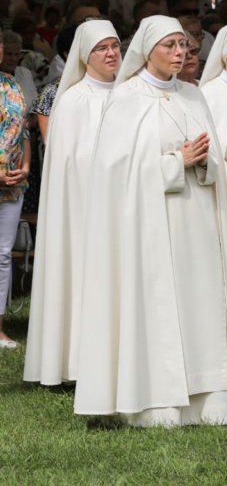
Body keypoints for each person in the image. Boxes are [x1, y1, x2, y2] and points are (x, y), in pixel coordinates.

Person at [74, 16, 227, 427]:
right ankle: (156, 405)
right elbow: (115, 174)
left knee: (200, 307)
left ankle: (206, 403)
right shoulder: (126, 98)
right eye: (170, 46)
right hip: (150, 226)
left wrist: (205, 162)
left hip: (197, 223)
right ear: (148, 50)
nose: (180, 53)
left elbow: (217, 158)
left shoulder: (194, 95)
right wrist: (175, 162)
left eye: (184, 45)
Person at [23, 22, 119, 379]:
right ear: (83, 54)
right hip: (85, 204)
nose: (111, 53)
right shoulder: (73, 100)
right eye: (101, 48)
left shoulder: (130, 93)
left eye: (114, 45)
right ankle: (81, 360)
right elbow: (67, 161)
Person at [0, 36, 30, 348]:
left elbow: (24, 131)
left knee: (3, 255)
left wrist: (26, 165)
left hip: (12, 183)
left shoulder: (12, 84)